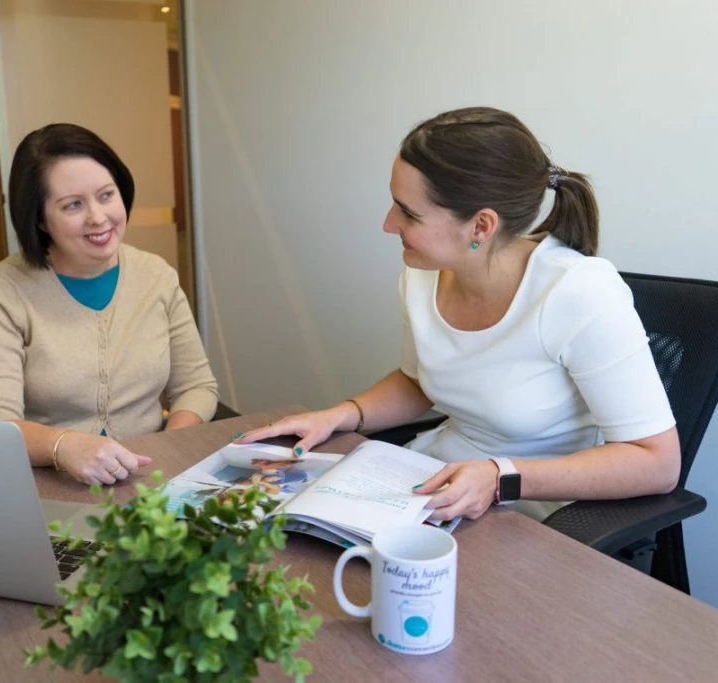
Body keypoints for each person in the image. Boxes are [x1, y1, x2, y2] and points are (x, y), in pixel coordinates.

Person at [236, 107, 680, 522]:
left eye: (409, 213)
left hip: (536, 505)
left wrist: (500, 476)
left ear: (481, 226)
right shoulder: (423, 276)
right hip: (431, 479)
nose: (388, 224)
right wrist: (338, 415)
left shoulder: (578, 293)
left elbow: (657, 463)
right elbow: (417, 380)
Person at [0, 123, 219, 486]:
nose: (98, 217)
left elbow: (197, 386)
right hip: (51, 483)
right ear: (40, 218)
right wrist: (62, 446)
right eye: (73, 205)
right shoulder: (2, 292)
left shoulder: (156, 275)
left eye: (106, 195)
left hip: (148, 475)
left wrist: (167, 451)